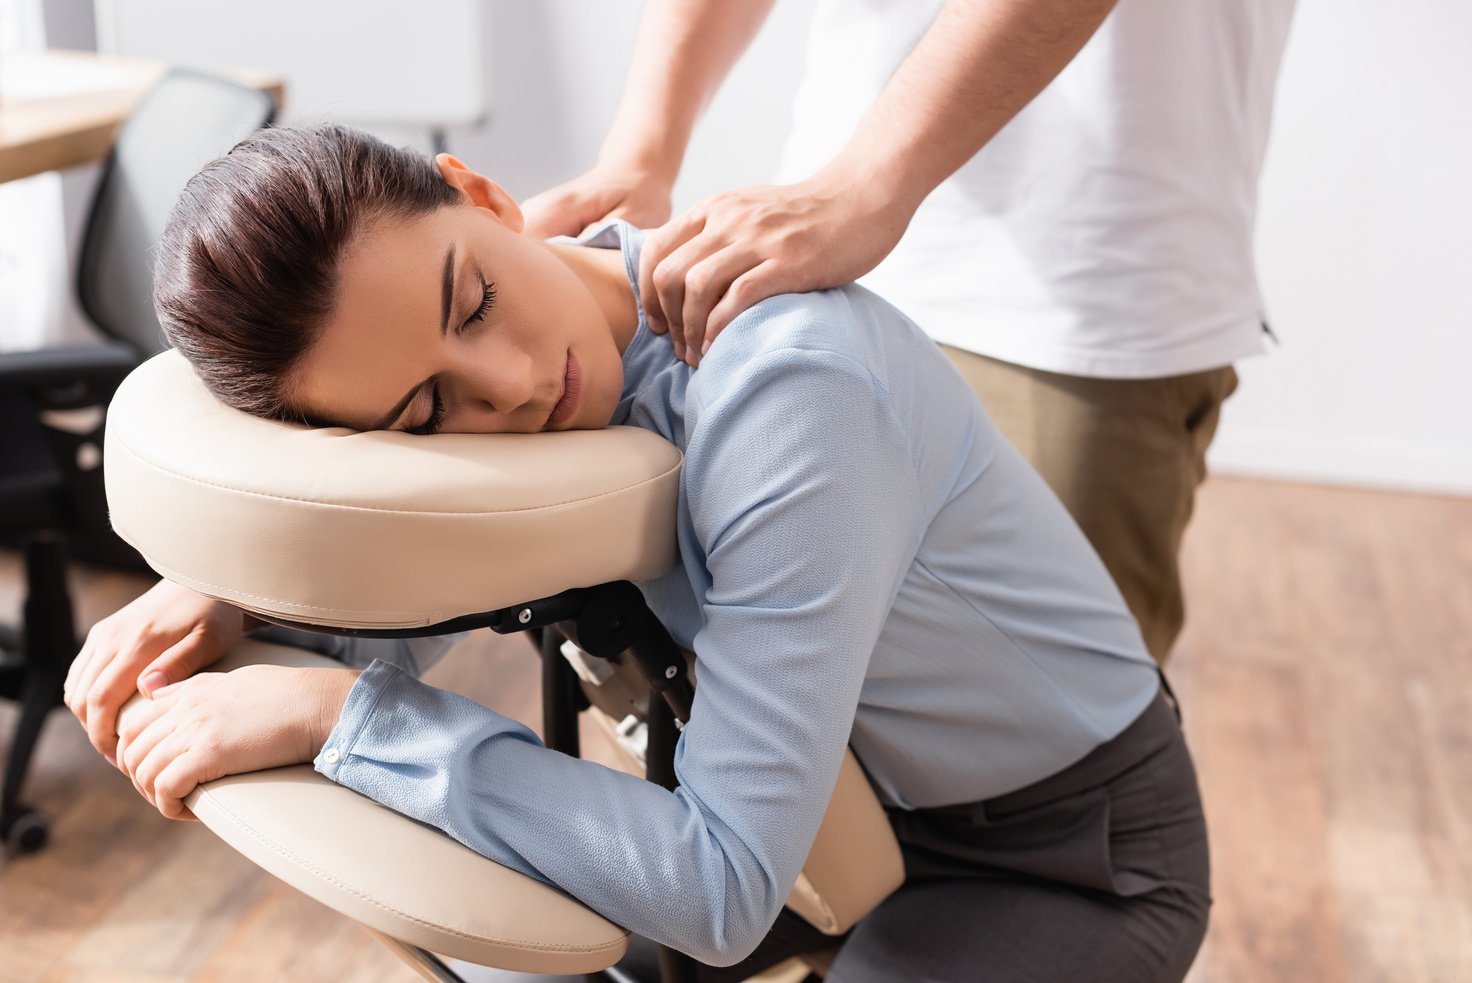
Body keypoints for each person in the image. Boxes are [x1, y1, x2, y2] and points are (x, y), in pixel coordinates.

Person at [65, 126, 1209, 981]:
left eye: (474, 301)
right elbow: (423, 559)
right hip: (837, 811)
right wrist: (234, 584)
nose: (514, 386)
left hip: (1068, 857)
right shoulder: (543, 397)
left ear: (485, 194)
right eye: (425, 412)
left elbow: (717, 887)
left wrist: (341, 715)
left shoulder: (786, 390)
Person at [522, 0, 1298, 662]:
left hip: (1073, 284)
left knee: (1016, 740)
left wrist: (866, 188)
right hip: (806, 261)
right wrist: (644, 151)